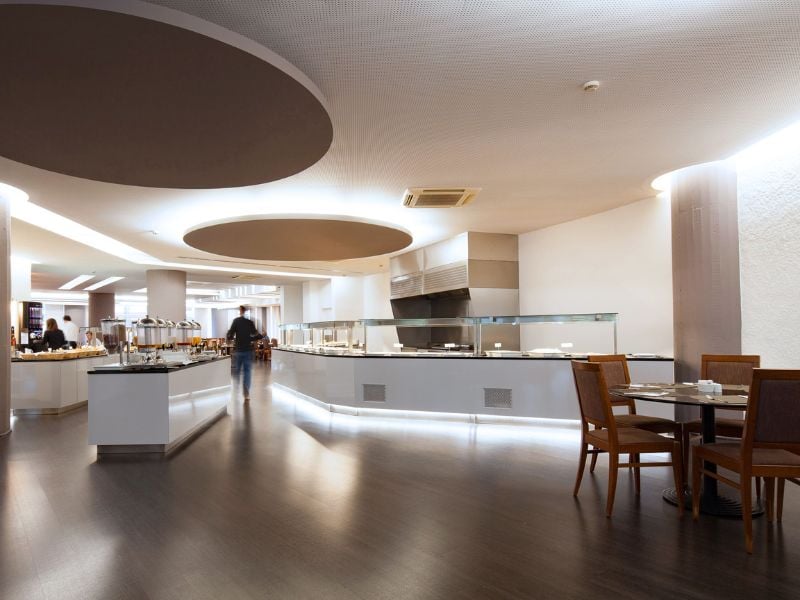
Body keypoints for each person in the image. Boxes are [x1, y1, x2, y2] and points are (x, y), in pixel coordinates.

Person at [226, 306, 262, 402]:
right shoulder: (250, 322)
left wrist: (229, 337)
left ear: (240, 311)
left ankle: (235, 388)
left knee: (237, 371)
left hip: (238, 351)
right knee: (247, 372)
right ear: (246, 311)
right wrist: (262, 335)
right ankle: (246, 390)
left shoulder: (236, 321)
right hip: (248, 351)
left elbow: (230, 334)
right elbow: (254, 335)